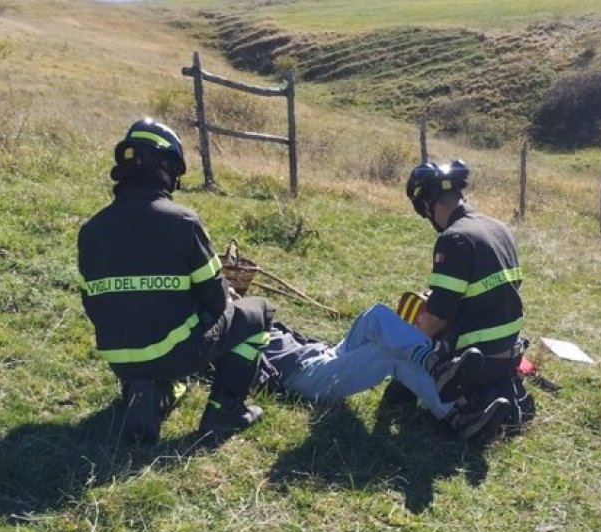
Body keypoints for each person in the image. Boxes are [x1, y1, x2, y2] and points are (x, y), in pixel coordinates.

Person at [77, 118, 275, 444]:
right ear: (167, 167)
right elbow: (216, 298)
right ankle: (224, 412)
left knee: (160, 357)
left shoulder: (92, 229)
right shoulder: (183, 222)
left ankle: (149, 392)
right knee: (260, 312)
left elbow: (93, 305)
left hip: (118, 356)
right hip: (173, 352)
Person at [397, 159, 535, 435]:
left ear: (427, 204)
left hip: (473, 361)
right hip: (508, 354)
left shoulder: (454, 239)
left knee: (407, 353)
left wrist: (409, 340)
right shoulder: (499, 228)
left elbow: (437, 317)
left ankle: (461, 410)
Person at [258, 304, 507, 441]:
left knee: (376, 314)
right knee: (390, 354)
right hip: (305, 376)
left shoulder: (247, 311)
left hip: (323, 354)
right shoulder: (233, 327)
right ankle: (455, 409)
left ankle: (439, 373)